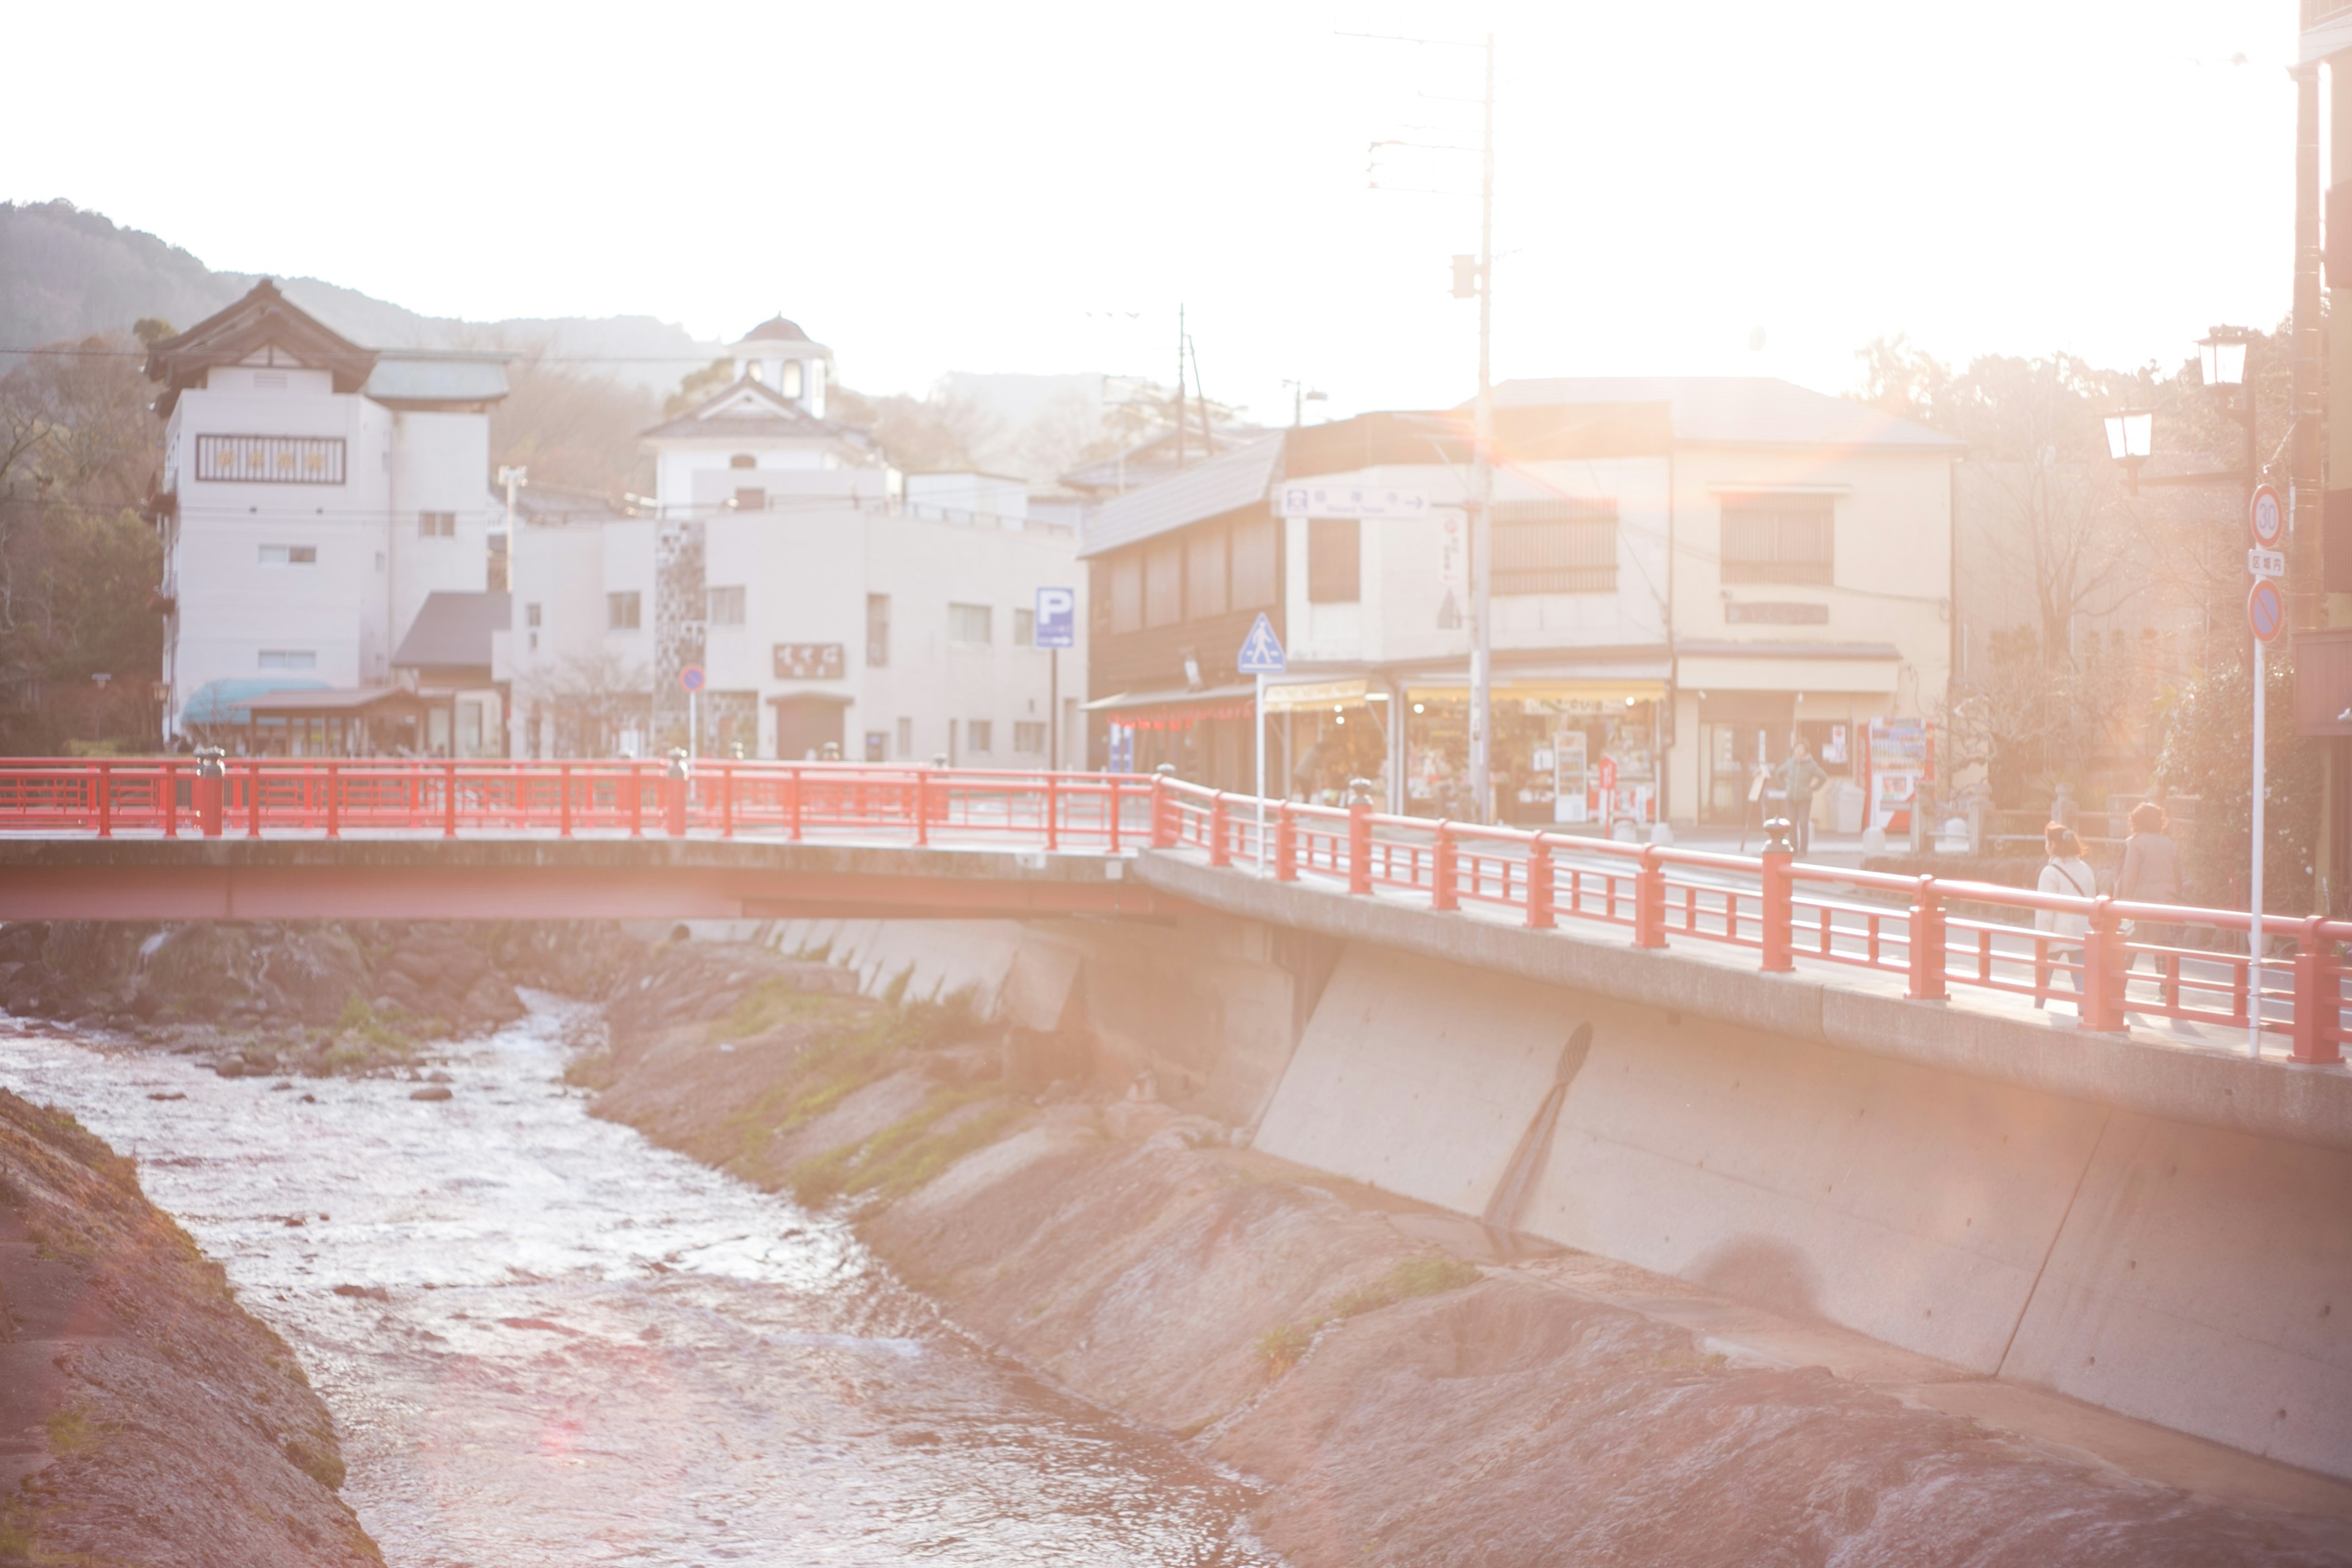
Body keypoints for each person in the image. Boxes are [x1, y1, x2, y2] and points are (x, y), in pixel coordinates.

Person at [2114, 799, 2184, 1012]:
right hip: (2166, 902)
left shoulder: (2135, 844)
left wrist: (2122, 904)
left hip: (2140, 904)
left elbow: (2129, 876)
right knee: (2164, 947)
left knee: (2128, 948)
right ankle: (2167, 994)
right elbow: (2178, 877)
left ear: (2136, 821)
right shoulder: (2170, 844)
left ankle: (2118, 990)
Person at [2034, 823, 2097, 1012]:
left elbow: (2046, 910)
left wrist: (2042, 936)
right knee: (2080, 975)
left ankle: (2038, 1009)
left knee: (2044, 973)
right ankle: (2084, 1011)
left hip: (2057, 931)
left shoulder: (2050, 872)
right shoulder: (2085, 868)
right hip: (2081, 930)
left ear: (2052, 845)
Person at [1776, 739, 1830, 854]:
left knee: (1803, 823)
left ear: (1806, 751)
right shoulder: (1791, 762)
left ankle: (1803, 850)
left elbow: (1823, 777)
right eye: (1796, 748)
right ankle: (1793, 849)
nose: (1798, 751)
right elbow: (1779, 773)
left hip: (1804, 799)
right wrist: (1786, 786)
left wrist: (1812, 788)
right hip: (1791, 799)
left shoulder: (1811, 764)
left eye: (1801, 749)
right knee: (1792, 824)